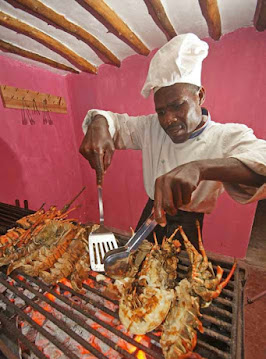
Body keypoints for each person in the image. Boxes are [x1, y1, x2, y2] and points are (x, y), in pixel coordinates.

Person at [79, 33, 266, 248]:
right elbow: (114, 121)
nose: (168, 120)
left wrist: (200, 168)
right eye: (161, 111)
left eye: (178, 105)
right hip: (150, 214)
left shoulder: (226, 136)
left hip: (188, 224)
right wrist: (99, 123)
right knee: (133, 268)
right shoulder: (151, 127)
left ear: (200, 96)